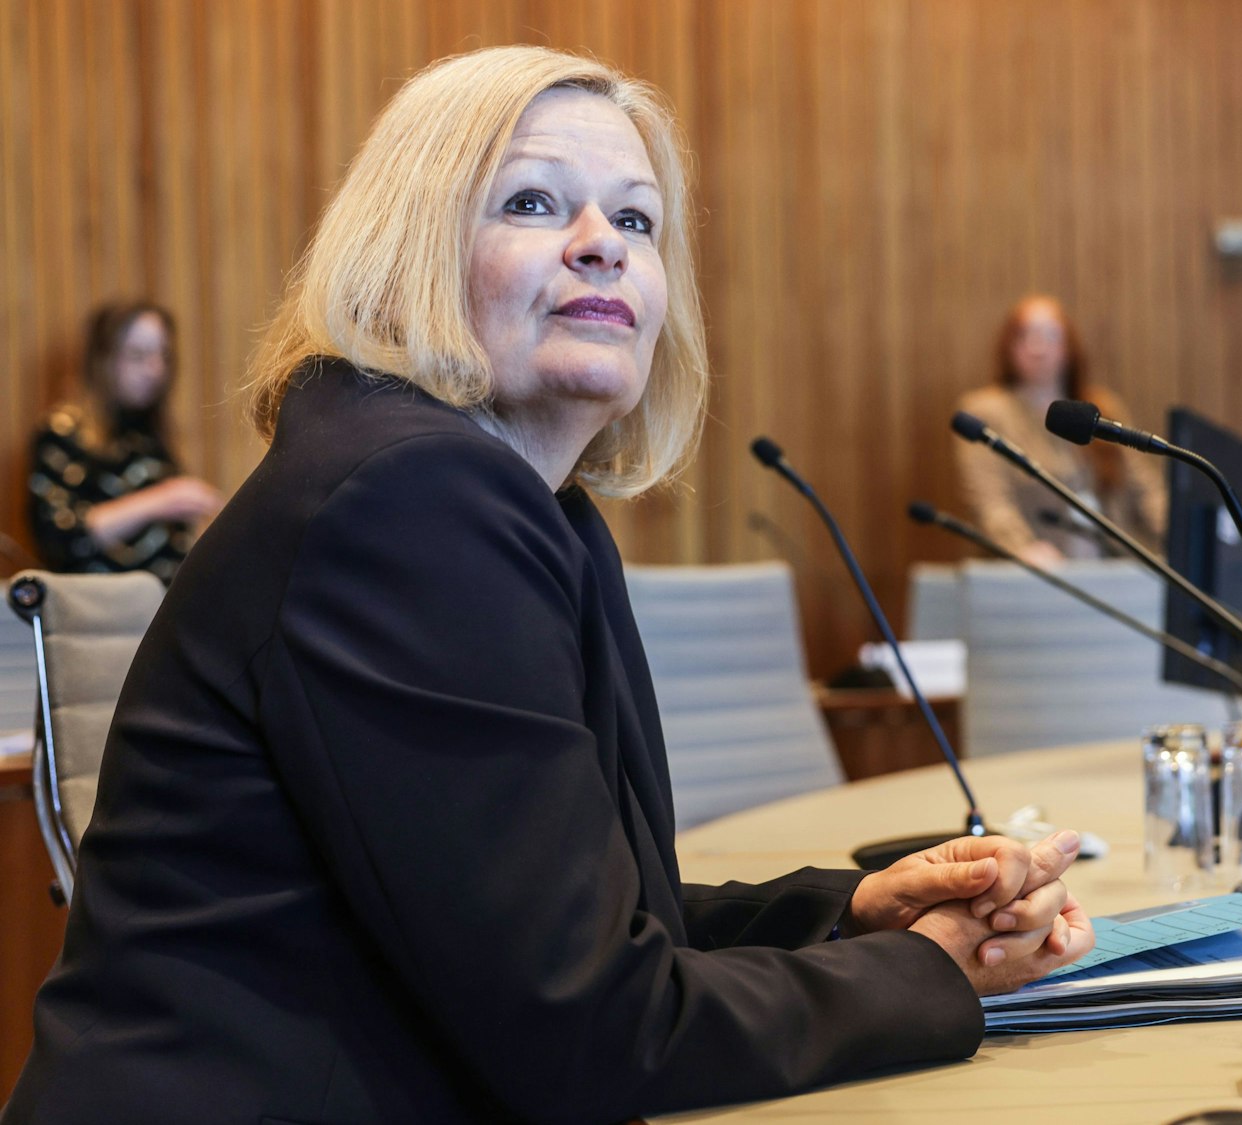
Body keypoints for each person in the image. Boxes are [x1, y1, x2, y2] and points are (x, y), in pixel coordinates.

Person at [2, 47, 1093, 1125]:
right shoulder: (408, 503)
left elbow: (578, 927)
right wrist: (933, 972)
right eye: (531, 202)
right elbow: (592, 1032)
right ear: (407, 257)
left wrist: (852, 909)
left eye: (634, 221)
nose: (600, 249)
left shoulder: (514, 504)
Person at [955, 295, 1167, 567]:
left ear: (1069, 346)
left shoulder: (1102, 407)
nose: (1038, 347)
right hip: (1039, 573)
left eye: (1050, 335)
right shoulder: (987, 411)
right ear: (1008, 347)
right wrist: (1023, 548)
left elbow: (1147, 491)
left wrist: (1184, 536)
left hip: (1111, 570)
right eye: (1025, 336)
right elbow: (990, 503)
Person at [25, 303, 222, 580]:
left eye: (163, 355)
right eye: (138, 355)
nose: (155, 369)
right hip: (100, 610)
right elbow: (58, 537)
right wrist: (163, 499)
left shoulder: (150, 434)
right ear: (103, 359)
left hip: (156, 607)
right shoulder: (63, 433)